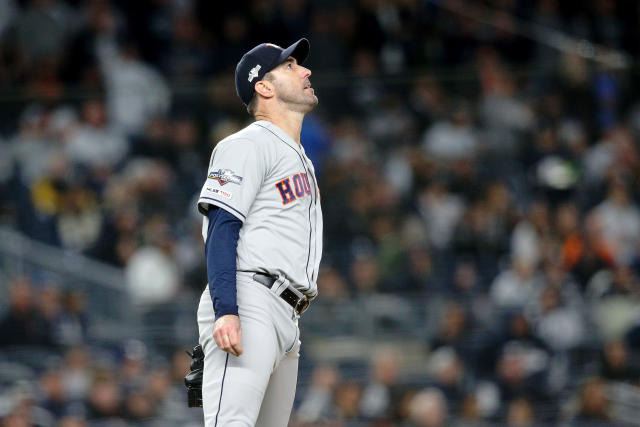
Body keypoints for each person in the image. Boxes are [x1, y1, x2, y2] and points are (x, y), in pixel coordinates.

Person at [194, 38, 322, 426]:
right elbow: (222, 227)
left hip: (288, 312)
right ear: (263, 87)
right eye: (289, 66)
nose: (305, 71)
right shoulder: (247, 143)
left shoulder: (301, 159)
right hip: (251, 300)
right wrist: (226, 310)